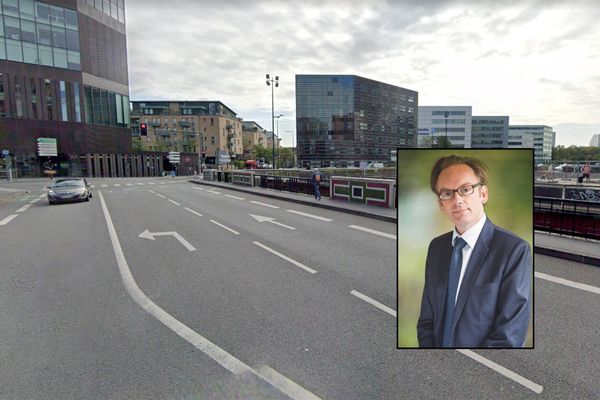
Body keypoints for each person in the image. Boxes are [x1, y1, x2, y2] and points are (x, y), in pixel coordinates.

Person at [417, 155, 531, 348]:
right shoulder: (436, 247)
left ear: (483, 194)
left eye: (465, 189)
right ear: (440, 204)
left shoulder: (513, 250)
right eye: (446, 193)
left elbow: (510, 334)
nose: (457, 200)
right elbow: (427, 320)